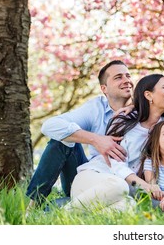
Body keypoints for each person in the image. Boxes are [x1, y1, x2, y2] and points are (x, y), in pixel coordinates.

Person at [26, 60, 133, 208]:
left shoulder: (144, 108)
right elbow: (49, 126)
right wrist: (96, 140)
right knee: (61, 140)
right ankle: (32, 205)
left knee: (124, 204)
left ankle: (61, 207)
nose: (127, 81)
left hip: (125, 181)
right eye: (118, 77)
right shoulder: (96, 108)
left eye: (128, 76)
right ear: (104, 88)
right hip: (90, 177)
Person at [66, 73, 164, 210]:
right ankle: (65, 212)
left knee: (129, 206)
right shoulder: (123, 120)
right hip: (94, 179)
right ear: (148, 95)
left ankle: (74, 213)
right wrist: (146, 186)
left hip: (122, 192)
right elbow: (116, 165)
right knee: (119, 185)